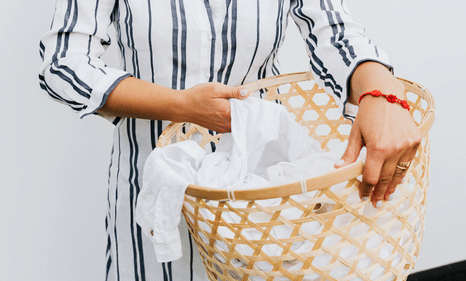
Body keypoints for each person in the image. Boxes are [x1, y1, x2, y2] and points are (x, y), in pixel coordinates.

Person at [39, 0, 422, 280]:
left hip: (264, 193)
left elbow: (334, 31)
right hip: (159, 180)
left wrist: (379, 91)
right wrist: (181, 105)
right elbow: (64, 64)